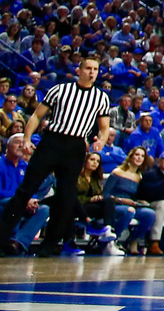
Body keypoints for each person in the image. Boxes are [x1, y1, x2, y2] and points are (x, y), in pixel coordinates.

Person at [0, 57, 110, 257]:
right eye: (88, 68)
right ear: (79, 70)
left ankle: (49, 245)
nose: (92, 72)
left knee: (66, 196)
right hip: (52, 141)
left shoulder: (101, 98)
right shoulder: (60, 90)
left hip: (76, 146)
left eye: (95, 69)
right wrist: (26, 138)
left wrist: (101, 142)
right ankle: (2, 236)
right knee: (26, 189)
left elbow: (104, 128)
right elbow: (36, 115)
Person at [101, 146, 157, 255]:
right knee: (129, 211)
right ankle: (112, 241)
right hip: (115, 204)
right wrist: (121, 200)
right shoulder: (118, 172)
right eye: (137, 155)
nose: (139, 158)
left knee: (150, 214)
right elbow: (106, 194)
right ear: (131, 157)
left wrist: (140, 201)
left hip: (131, 204)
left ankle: (133, 240)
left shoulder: (139, 177)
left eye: (142, 156)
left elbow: (134, 196)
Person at [0, 135, 50, 255]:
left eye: (24, 143)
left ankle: (18, 243)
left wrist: (31, 199)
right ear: (8, 145)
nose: (21, 145)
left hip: (21, 202)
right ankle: (11, 241)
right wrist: (23, 199)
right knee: (17, 204)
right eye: (17, 142)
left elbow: (31, 188)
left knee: (44, 209)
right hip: (3, 201)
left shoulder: (26, 166)